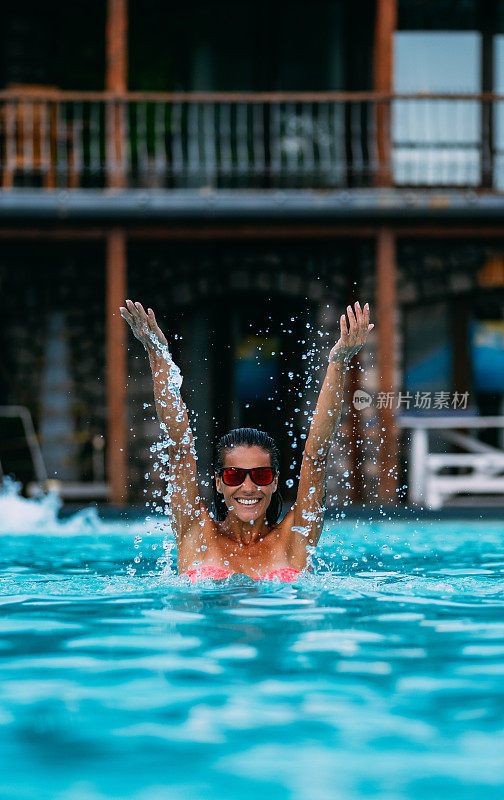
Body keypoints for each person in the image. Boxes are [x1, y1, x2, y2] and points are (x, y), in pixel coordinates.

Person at [120, 300, 373, 582]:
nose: (249, 487)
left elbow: (316, 457)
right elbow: (180, 448)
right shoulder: (196, 531)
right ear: (218, 482)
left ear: (275, 481)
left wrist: (338, 363)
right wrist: (156, 352)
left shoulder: (294, 538)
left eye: (262, 475)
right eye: (233, 475)